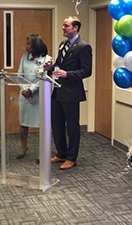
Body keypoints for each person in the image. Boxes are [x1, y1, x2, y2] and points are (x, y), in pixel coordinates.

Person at [46, 16, 92, 170]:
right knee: (57, 124)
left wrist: (68, 74)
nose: (63, 28)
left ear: (75, 28)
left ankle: (72, 158)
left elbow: (87, 71)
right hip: (58, 91)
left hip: (72, 93)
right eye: (63, 25)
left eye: (66, 26)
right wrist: (50, 68)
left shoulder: (83, 47)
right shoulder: (63, 45)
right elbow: (59, 64)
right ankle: (61, 153)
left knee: (72, 127)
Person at [16, 34, 52, 163]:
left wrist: (31, 90)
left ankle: (41, 151)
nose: (26, 47)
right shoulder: (24, 58)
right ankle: (23, 147)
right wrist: (24, 90)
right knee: (23, 122)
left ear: (36, 45)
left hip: (40, 96)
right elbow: (19, 75)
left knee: (42, 124)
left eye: (29, 44)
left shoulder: (47, 59)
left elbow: (44, 77)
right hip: (25, 95)